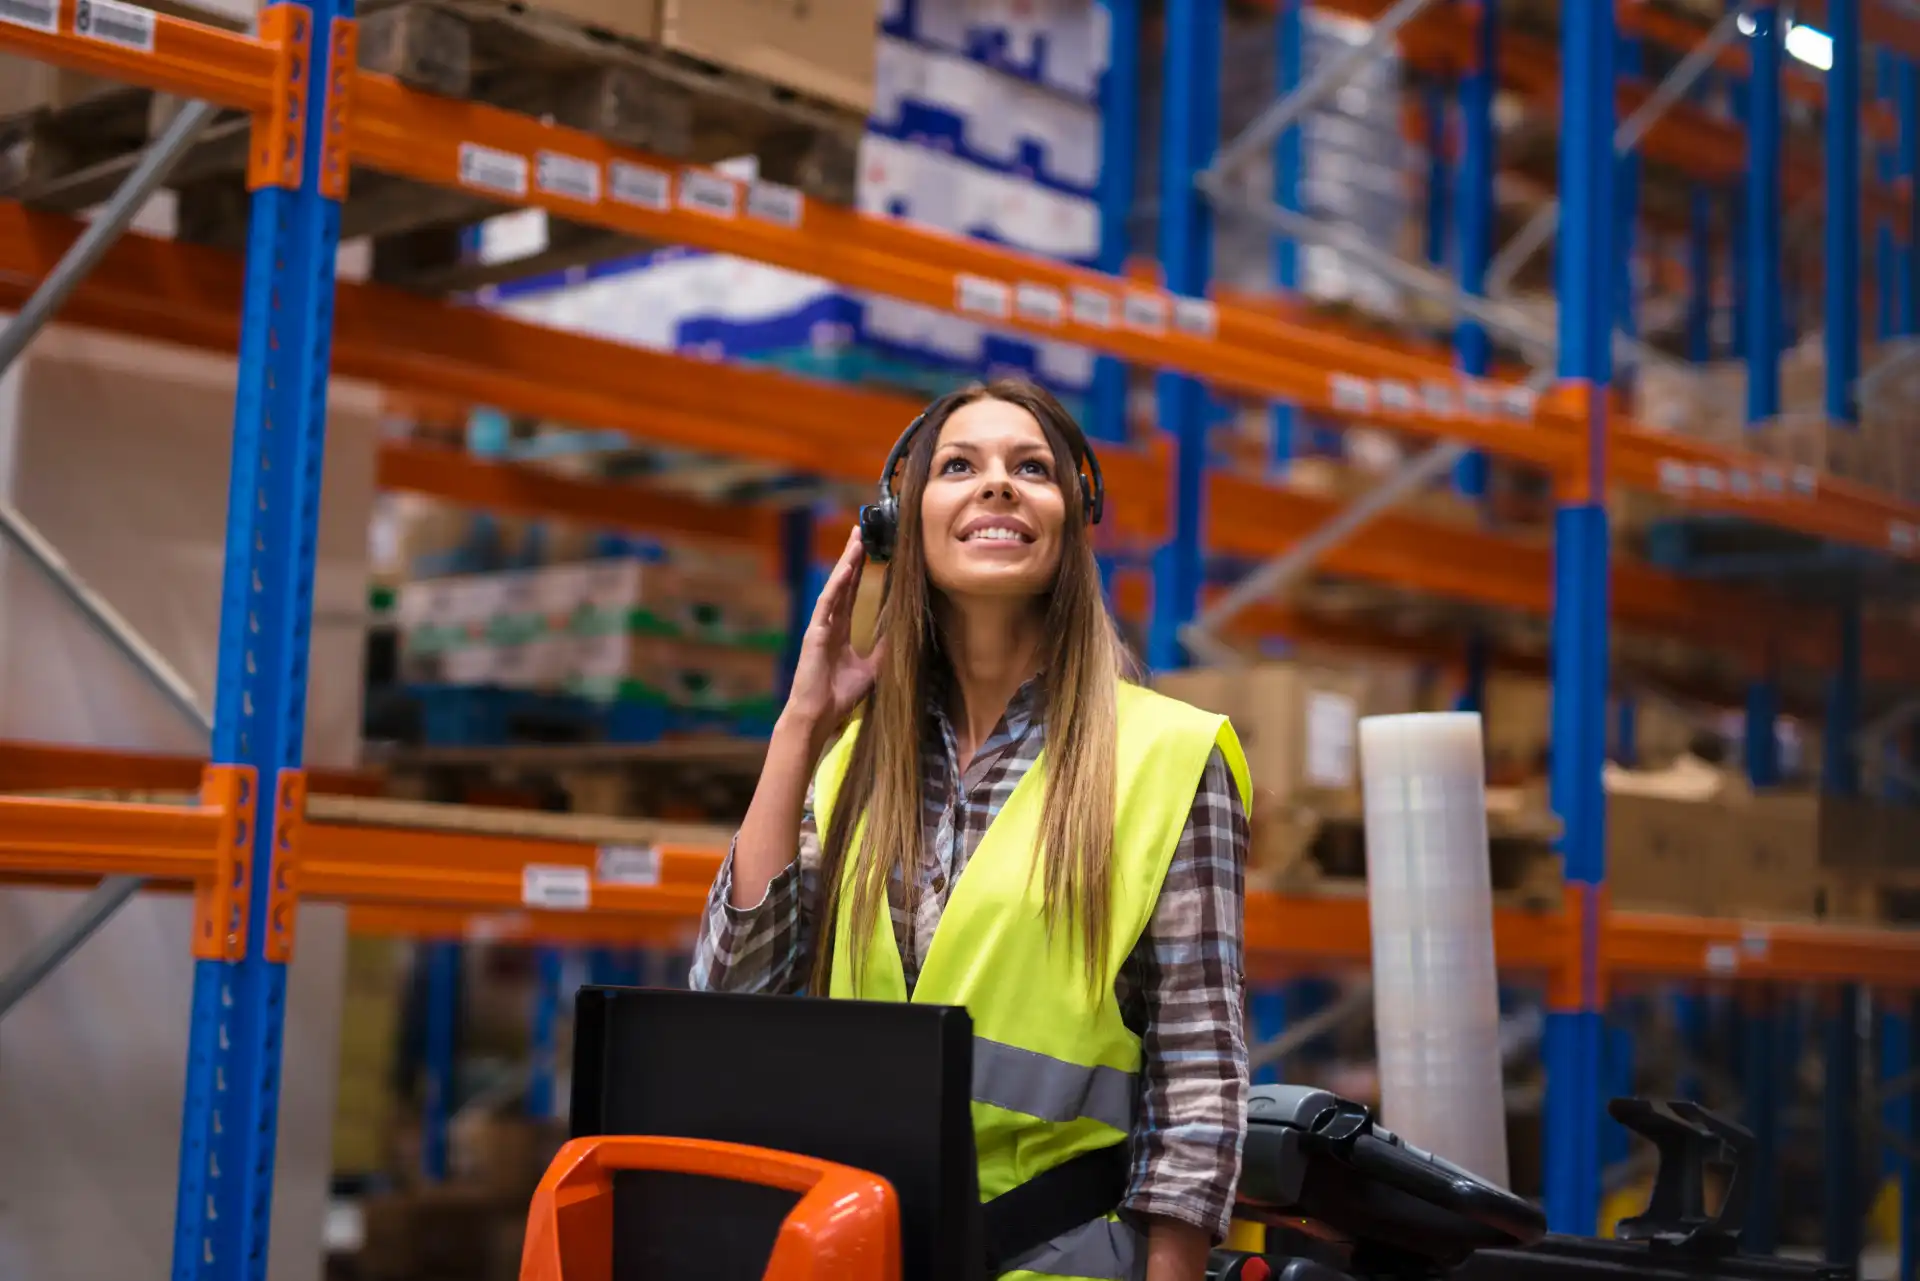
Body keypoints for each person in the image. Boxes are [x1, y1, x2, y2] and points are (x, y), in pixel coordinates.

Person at [689, 377, 1253, 1281]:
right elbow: (728, 1001)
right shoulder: (846, 769)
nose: (998, 485)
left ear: (1073, 521)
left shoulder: (1170, 755)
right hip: (857, 1255)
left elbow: (1197, 1073)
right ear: (900, 525)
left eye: (1031, 468)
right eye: (960, 466)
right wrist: (800, 724)